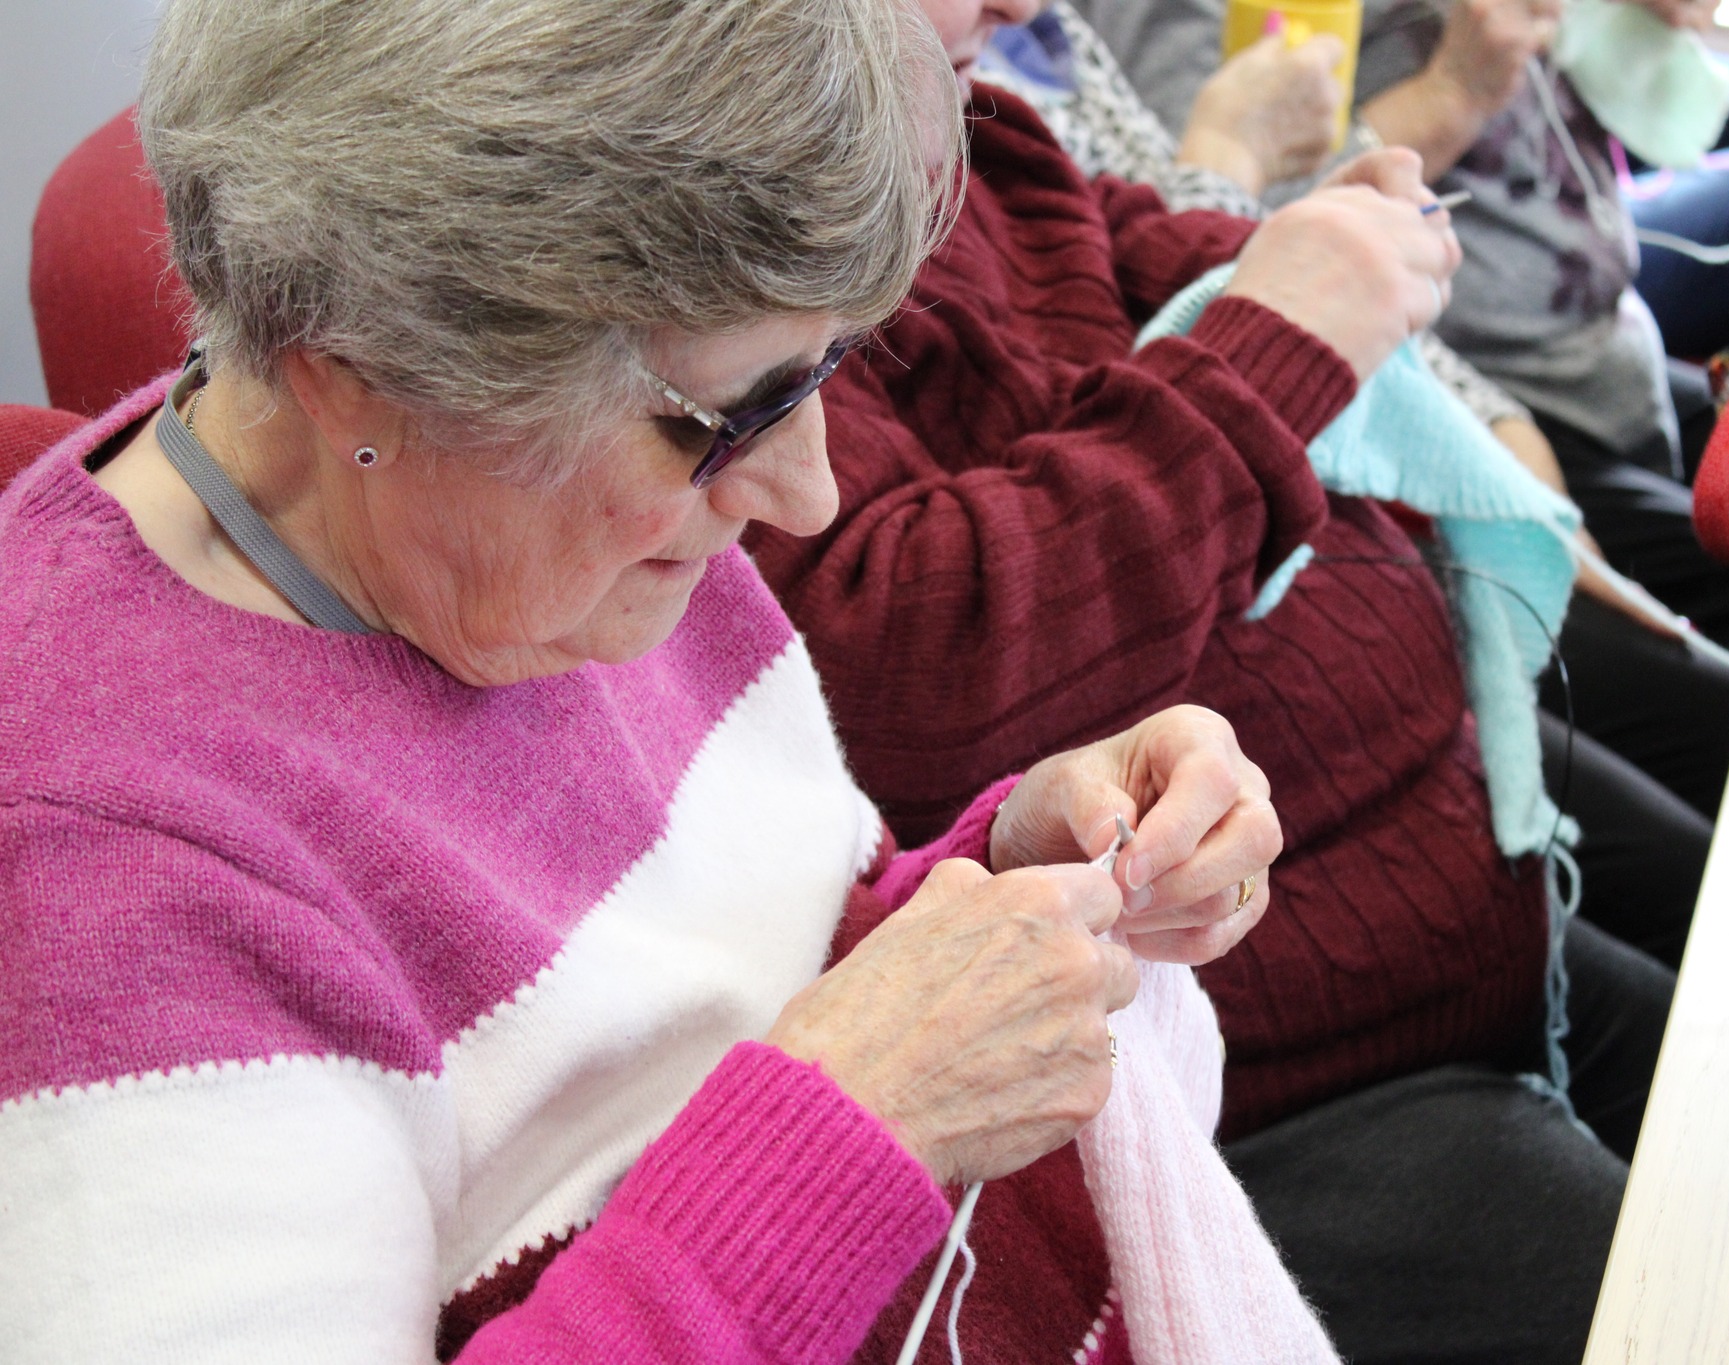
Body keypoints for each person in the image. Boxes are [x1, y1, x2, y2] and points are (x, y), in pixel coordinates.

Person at [0, 2, 1307, 1361]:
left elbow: (736, 966)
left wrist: (1006, 869)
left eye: (825, 374)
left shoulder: (525, 528)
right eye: (728, 415)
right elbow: (784, 1112)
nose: (804, 492)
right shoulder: (102, 882)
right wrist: (848, 1132)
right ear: (356, 379)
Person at [747, 1, 1677, 1359]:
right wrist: (1276, 332)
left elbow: (1128, 261)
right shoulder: (752, 254)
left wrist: (1306, 247)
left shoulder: (974, 135)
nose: (1019, 11)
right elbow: (899, 670)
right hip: (1287, 1074)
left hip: (1444, 875)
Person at [976, 0, 1729, 955]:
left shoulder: (1035, 58)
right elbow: (1213, 297)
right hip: (1364, 533)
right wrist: (1415, 112)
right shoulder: (971, 108)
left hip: (1456, 441)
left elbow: (1220, 248)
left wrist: (1489, 414)